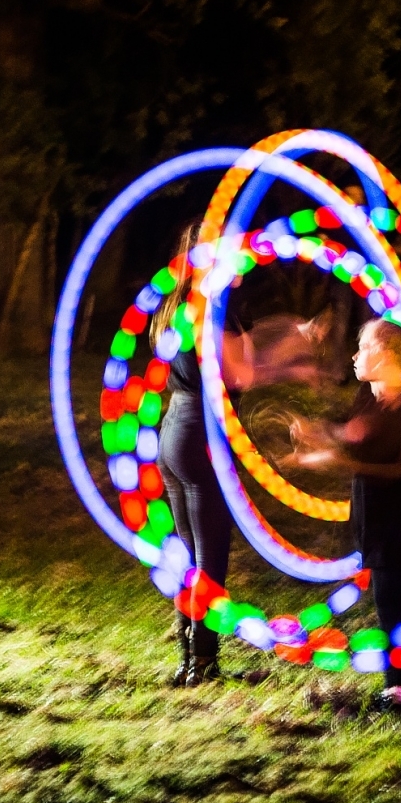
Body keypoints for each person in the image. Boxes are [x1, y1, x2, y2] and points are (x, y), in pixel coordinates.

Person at [151, 224, 322, 686]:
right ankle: (202, 663)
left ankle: (189, 653)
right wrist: (293, 353)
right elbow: (242, 375)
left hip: (175, 430)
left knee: (190, 551)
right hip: (202, 434)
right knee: (209, 553)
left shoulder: (178, 307)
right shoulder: (216, 312)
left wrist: (288, 347)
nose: (246, 255)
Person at [287, 319, 401, 712]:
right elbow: (351, 435)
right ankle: (395, 681)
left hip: (400, 512)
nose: (354, 355)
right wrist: (310, 448)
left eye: (363, 346)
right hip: (372, 508)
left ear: (384, 358)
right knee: (385, 596)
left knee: (389, 598)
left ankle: (397, 687)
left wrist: (338, 458)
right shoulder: (369, 396)